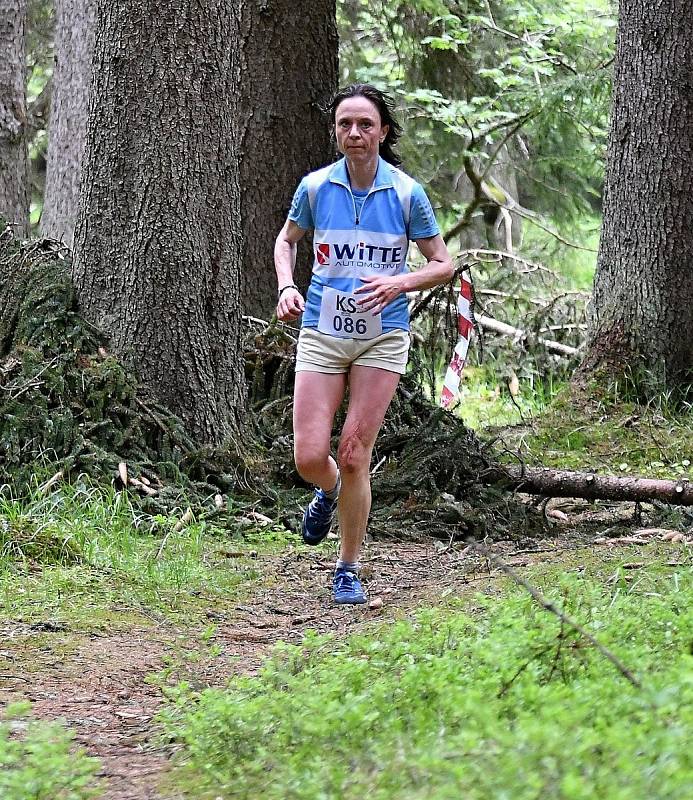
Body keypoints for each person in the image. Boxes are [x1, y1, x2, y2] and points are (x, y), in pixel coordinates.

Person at [274, 83, 454, 605]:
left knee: (353, 453)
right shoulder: (313, 188)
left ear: (383, 132)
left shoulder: (405, 193)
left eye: (365, 124)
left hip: (382, 336)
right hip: (323, 332)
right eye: (345, 125)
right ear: (335, 133)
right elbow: (287, 242)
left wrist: (400, 283)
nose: (355, 133)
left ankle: (347, 566)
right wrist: (288, 284)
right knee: (311, 457)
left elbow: (443, 264)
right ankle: (325, 491)